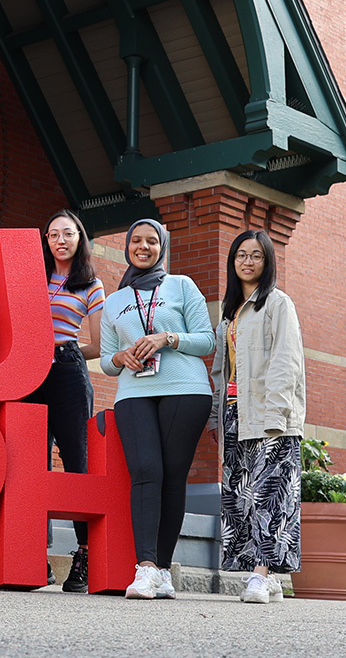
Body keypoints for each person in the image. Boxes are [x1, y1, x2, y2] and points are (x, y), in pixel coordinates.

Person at [100, 218, 215, 600]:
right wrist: (119, 356)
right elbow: (104, 360)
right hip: (133, 393)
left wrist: (167, 337)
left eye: (152, 241)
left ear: (162, 246)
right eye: (136, 241)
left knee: (172, 476)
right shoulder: (114, 301)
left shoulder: (182, 286)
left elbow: (206, 339)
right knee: (145, 470)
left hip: (186, 388)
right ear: (127, 246)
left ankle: (162, 570)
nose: (143, 247)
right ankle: (145, 567)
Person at [210, 230, 305, 604]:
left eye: (256, 256)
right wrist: (217, 419)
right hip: (235, 414)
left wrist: (277, 414)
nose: (247, 262)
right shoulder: (231, 312)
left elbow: (287, 360)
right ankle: (268, 576)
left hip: (270, 415)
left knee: (270, 495)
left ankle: (262, 574)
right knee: (241, 497)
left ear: (267, 263)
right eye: (241, 256)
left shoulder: (278, 304)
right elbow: (222, 371)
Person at [23, 209, 105, 592]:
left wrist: (64, 351)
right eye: (53, 234)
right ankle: (33, 554)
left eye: (67, 233)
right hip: (29, 373)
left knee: (77, 461)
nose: (59, 240)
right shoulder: (31, 278)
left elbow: (101, 344)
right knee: (31, 462)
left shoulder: (90, 284)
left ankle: (85, 554)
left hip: (69, 372)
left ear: (79, 238)